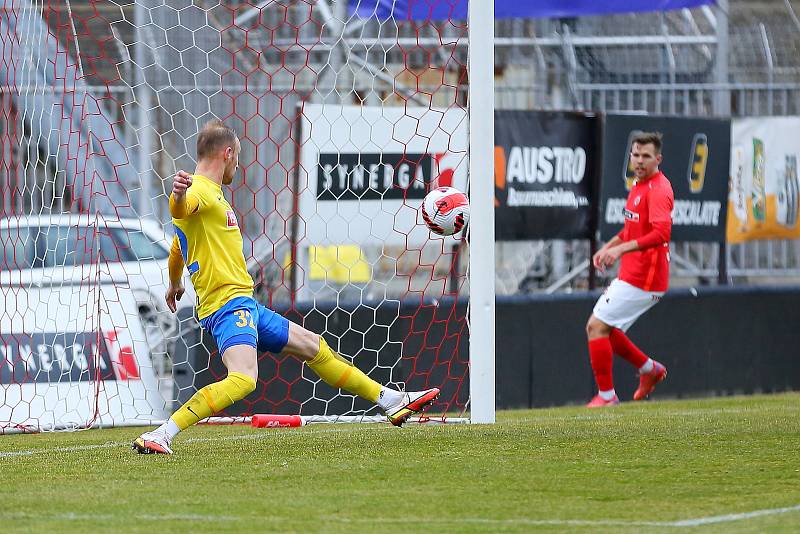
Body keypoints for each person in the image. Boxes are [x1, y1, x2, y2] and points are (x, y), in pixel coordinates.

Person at [133, 119, 438, 454]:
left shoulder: (212, 197)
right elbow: (181, 207)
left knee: (313, 346)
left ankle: (389, 400)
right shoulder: (201, 191)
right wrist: (176, 195)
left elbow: (178, 246)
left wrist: (175, 283)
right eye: (239, 157)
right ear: (228, 153)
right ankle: (163, 432)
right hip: (227, 306)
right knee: (244, 379)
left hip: (244, 304)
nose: (239, 164)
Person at [585, 132, 674, 407]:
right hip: (632, 274)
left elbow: (661, 234)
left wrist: (619, 251)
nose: (639, 160)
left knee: (596, 326)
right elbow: (631, 229)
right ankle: (650, 370)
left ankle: (607, 396)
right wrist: (608, 246)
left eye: (646, 156)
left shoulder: (659, 189)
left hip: (645, 278)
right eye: (636, 154)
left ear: (657, 159)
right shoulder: (639, 185)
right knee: (607, 329)